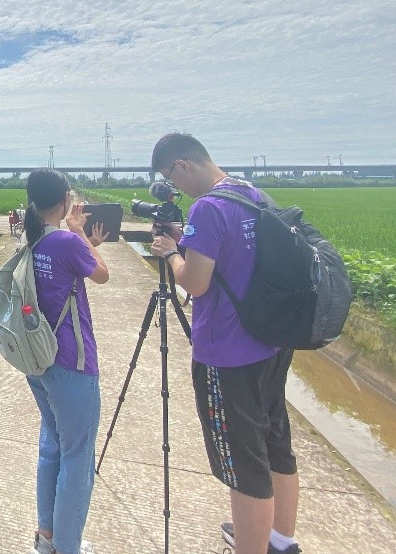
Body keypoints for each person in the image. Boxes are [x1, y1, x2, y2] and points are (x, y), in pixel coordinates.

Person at [147, 134, 301, 554]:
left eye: (171, 178)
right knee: (275, 445)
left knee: (242, 464)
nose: (175, 189)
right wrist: (188, 238)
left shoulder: (209, 207)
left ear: (182, 166)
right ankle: (281, 541)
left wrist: (170, 252)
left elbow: (195, 282)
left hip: (229, 354)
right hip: (271, 343)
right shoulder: (252, 195)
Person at [23, 168, 110, 554]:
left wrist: (77, 236)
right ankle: (69, 547)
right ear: (63, 201)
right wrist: (81, 235)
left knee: (52, 446)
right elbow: (103, 275)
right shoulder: (65, 241)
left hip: (36, 362)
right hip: (71, 364)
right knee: (77, 456)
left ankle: (48, 538)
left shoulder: (31, 237)